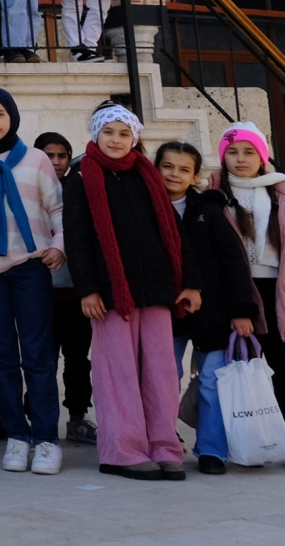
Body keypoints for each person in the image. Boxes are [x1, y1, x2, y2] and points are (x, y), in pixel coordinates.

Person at [63, 103, 198, 482]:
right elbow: (77, 237)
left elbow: (174, 233)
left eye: (124, 133)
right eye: (109, 132)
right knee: (117, 374)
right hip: (109, 296)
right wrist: (88, 289)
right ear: (96, 135)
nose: (116, 140)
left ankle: (163, 447)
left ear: (135, 137)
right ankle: (122, 450)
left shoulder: (149, 176)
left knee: (161, 373)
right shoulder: (81, 178)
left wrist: (189, 281)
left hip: (156, 289)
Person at [0, 87, 67, 475]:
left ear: (12, 117)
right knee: (1, 358)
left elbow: (57, 206)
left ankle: (46, 440)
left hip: (31, 267)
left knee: (37, 355)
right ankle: (17, 437)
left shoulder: (37, 159)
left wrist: (59, 244)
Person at [158, 140, 259, 474]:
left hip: (213, 314)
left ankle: (212, 450)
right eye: (167, 166)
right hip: (165, 313)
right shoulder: (146, 209)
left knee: (212, 383)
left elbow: (234, 262)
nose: (174, 174)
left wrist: (242, 311)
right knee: (163, 380)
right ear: (156, 168)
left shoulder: (209, 211)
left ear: (196, 175)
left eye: (184, 169)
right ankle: (164, 444)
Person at [206, 121, 285, 407]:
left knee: (279, 360)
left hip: (276, 287)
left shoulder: (279, 192)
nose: (240, 159)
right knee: (241, 361)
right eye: (233, 151)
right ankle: (249, 433)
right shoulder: (214, 196)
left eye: (249, 152)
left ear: (262, 157)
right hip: (237, 289)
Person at [33, 131, 92, 442]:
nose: (55, 162)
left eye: (61, 155)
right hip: (39, 291)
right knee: (41, 358)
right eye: (49, 155)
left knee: (78, 358)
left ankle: (78, 418)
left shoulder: (78, 188)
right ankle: (40, 421)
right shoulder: (27, 186)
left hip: (74, 291)